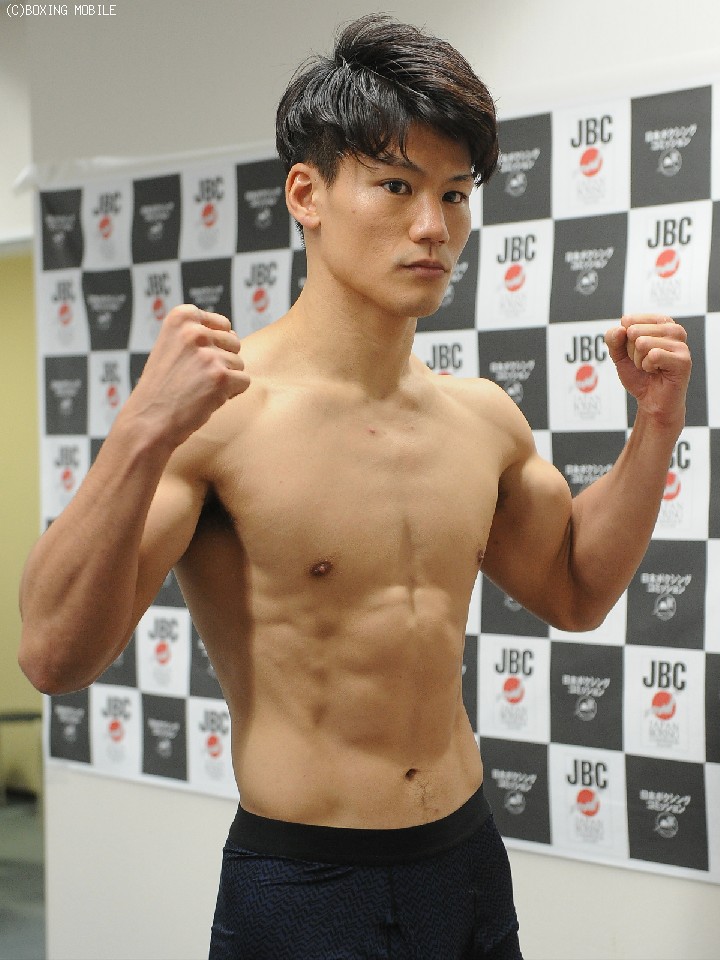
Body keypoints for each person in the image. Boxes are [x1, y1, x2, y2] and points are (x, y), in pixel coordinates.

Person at [19, 14, 691, 960]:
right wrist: (139, 430)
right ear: (308, 193)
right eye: (396, 186)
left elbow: (577, 591)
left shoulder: (481, 417)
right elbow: (52, 656)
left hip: (467, 862)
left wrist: (655, 427)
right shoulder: (220, 416)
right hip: (304, 882)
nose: (433, 228)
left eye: (454, 195)